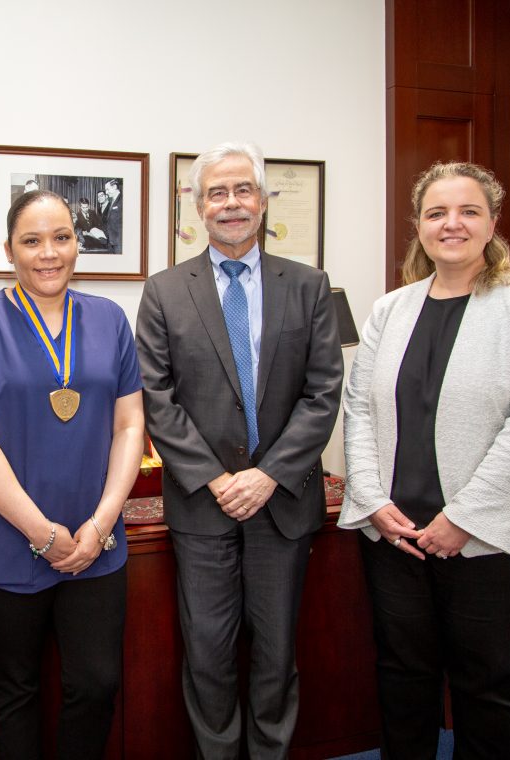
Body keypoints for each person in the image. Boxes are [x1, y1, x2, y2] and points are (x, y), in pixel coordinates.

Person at [338, 161, 510, 758]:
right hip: (398, 536)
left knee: (489, 690)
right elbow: (359, 411)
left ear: (492, 223)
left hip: (500, 540)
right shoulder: (390, 309)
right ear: (418, 225)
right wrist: (372, 502)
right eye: (437, 212)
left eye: (468, 211)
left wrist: (464, 519)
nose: (452, 224)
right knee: (403, 680)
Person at [135, 141, 342, 759]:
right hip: (202, 509)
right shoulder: (166, 290)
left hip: (282, 507)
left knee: (277, 655)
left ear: (262, 200)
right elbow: (156, 395)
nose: (231, 204)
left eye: (242, 190)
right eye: (217, 193)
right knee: (208, 655)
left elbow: (323, 393)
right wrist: (215, 478)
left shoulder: (308, 286)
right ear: (198, 207)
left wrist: (269, 476)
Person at [0, 189, 145, 759]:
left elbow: (130, 426)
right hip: (6, 544)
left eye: (61, 237)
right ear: (8, 250)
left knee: (97, 684)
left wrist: (101, 524)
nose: (48, 252)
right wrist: (42, 532)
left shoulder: (108, 319)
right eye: (31, 240)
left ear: (79, 245)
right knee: (14, 691)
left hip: (96, 543)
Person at [101, 179, 123, 252]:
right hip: (111, 242)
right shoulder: (111, 201)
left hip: (119, 243)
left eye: (107, 189)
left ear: (114, 187)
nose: (106, 192)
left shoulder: (123, 200)